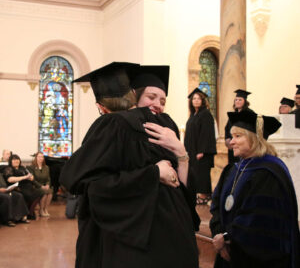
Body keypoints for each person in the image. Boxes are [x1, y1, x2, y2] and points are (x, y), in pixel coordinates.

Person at [60, 62, 199, 268]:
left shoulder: (116, 124)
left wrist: (176, 156)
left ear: (101, 106)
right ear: (134, 94)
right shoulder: (162, 125)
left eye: (162, 100)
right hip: (175, 233)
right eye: (151, 97)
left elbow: (77, 180)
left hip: (137, 239)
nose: (157, 105)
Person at [209, 110, 300, 268]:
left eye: (238, 136)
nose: (231, 142)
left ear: (255, 139)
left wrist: (226, 237)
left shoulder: (268, 173)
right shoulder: (232, 170)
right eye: (232, 136)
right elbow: (216, 205)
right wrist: (219, 234)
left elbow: (260, 220)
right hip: (227, 252)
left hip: (254, 258)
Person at [183, 87, 216, 205]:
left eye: (198, 99)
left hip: (202, 152)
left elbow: (206, 134)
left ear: (202, 101)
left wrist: (202, 151)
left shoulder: (205, 114)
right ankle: (197, 194)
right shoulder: (193, 115)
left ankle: (204, 195)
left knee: (202, 174)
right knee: (195, 173)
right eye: (194, 99)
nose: (196, 101)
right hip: (192, 151)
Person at [3, 154, 45, 219]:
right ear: (10, 161)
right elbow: (10, 179)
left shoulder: (22, 168)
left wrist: (31, 177)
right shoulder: (8, 168)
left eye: (17, 159)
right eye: (14, 159)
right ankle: (28, 213)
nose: (16, 161)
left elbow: (30, 176)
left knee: (41, 192)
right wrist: (24, 177)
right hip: (18, 187)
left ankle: (30, 211)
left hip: (28, 186)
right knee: (28, 194)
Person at [224, 89, 253, 164]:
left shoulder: (250, 114)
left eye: (240, 100)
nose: (237, 101)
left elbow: (251, 130)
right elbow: (227, 128)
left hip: (243, 146)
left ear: (245, 102)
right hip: (233, 146)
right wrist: (227, 139)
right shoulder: (233, 114)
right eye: (236, 100)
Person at [28, 152, 53, 217]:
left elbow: (48, 178)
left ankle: (45, 209)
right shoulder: (31, 167)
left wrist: (47, 185)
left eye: (42, 157)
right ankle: (41, 210)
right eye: (39, 157)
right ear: (36, 158)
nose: (41, 158)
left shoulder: (46, 167)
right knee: (43, 192)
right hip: (35, 186)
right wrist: (41, 186)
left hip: (44, 185)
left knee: (50, 192)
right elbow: (33, 180)